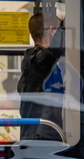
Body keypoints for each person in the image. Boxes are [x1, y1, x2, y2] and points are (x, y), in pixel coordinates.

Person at [17, 11, 60, 140]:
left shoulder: (29, 57)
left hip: (34, 130)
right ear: (51, 30)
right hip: (41, 132)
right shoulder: (41, 59)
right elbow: (49, 56)